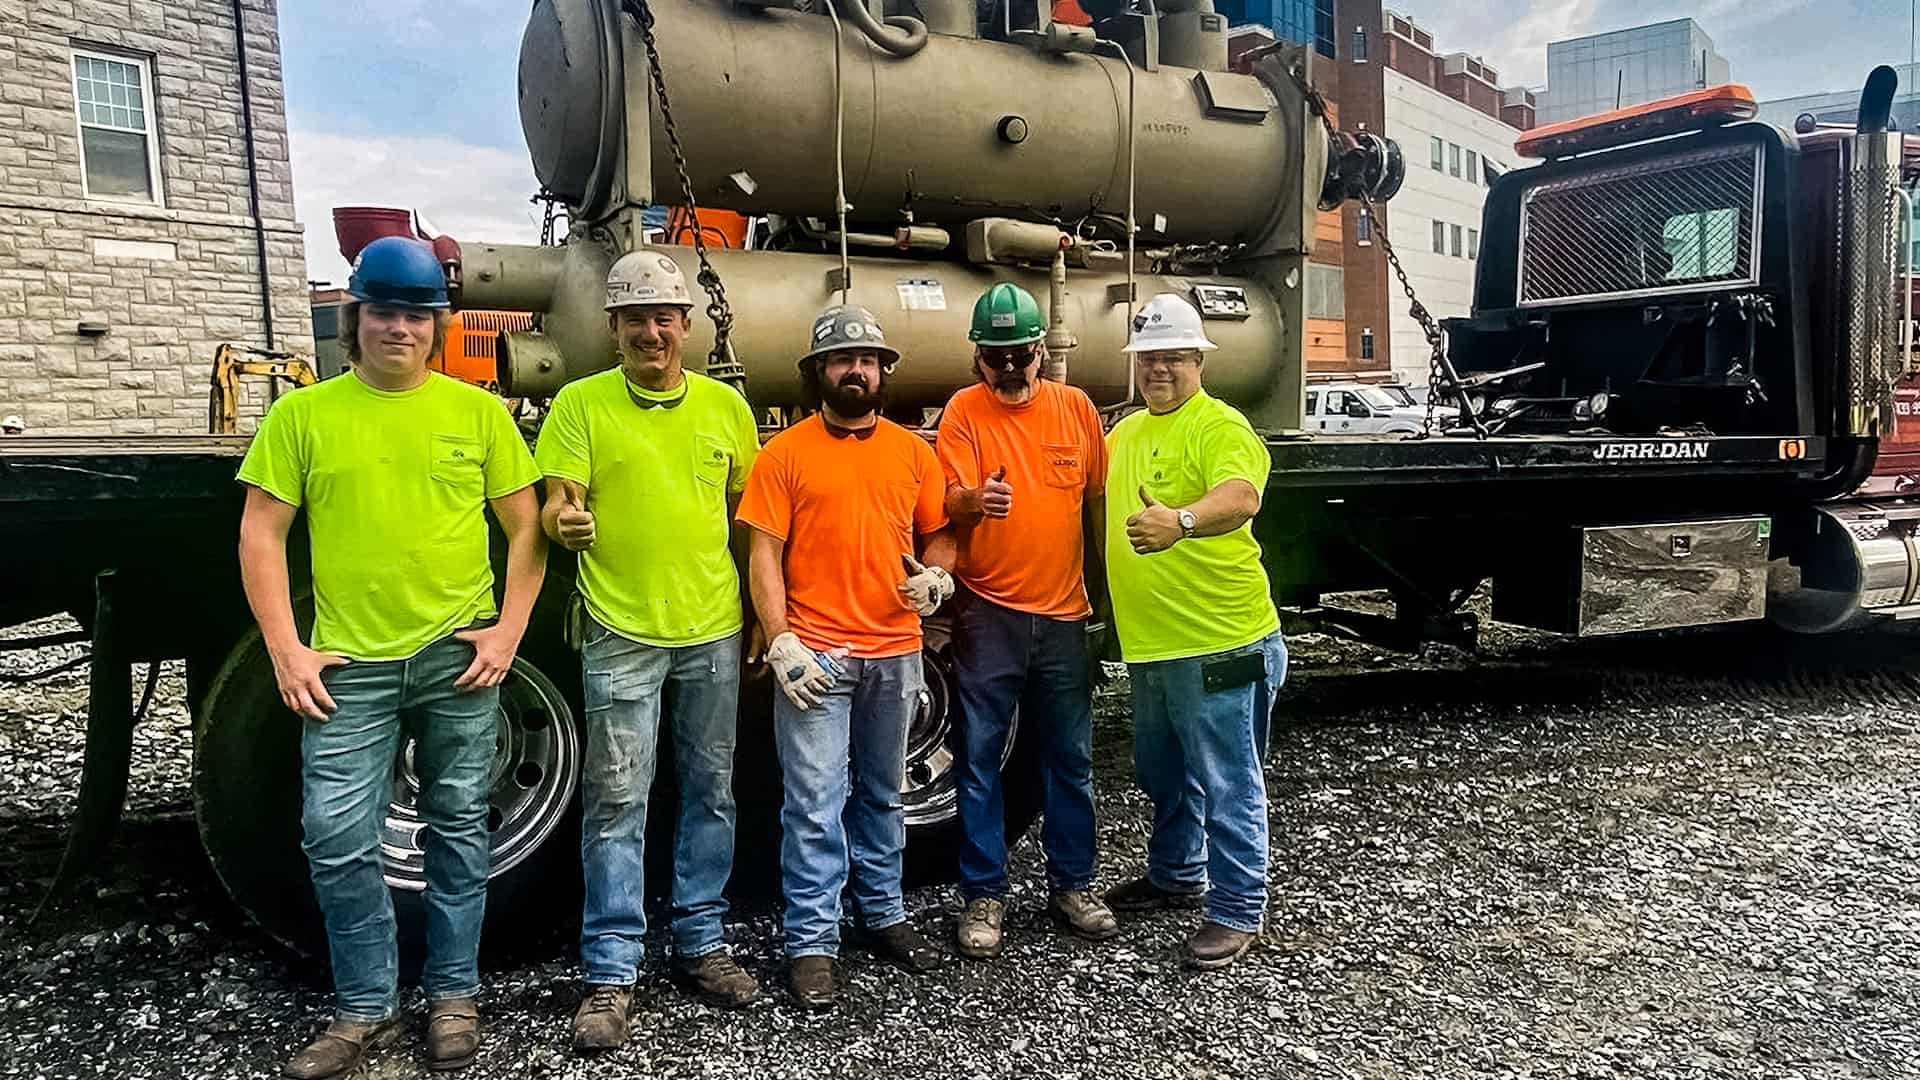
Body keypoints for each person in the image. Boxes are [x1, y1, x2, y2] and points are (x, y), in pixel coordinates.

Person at [236, 236, 546, 1077]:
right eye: (384, 312)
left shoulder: (479, 415)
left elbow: (528, 530)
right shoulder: (303, 416)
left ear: (437, 326)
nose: (400, 328)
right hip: (348, 668)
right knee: (335, 838)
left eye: (417, 315)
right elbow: (261, 532)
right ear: (354, 319)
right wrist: (284, 650)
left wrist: (509, 629)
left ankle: (453, 997)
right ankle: (364, 1007)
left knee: (456, 830)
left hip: (457, 660)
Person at [534, 251, 764, 1051]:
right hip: (620, 630)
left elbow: (750, 519)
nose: (651, 331)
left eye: (664, 316)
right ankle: (611, 971)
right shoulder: (579, 405)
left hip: (712, 628)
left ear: (687, 327)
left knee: (711, 792)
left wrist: (767, 614)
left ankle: (700, 943)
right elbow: (559, 503)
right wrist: (565, 521)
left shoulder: (726, 409)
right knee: (617, 803)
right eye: (635, 317)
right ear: (613, 328)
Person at [736, 304, 956, 1009]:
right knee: (812, 805)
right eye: (841, 360)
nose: (855, 370)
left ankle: (883, 914)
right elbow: (762, 555)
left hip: (896, 651)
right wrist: (780, 639)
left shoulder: (912, 452)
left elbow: (940, 533)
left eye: (867, 360)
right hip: (817, 658)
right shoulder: (785, 454)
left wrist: (938, 577)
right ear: (818, 373)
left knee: (884, 796)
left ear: (883, 372)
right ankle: (811, 942)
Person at [1099, 292, 1286, 972]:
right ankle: (1178, 873)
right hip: (1155, 645)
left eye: (1173, 357)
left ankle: (1238, 909)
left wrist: (1178, 520)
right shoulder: (1126, 433)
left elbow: (1240, 497)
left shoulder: (1220, 426)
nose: (1159, 370)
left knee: (1228, 777)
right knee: (1163, 769)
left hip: (1222, 640)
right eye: (1149, 358)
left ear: (1199, 359)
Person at [935, 283, 1117, 959]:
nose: (1009, 368)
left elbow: (1097, 507)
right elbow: (946, 498)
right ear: (977, 357)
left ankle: (1074, 884)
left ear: (1041, 350)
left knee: (1069, 759)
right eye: (996, 356)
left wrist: (1107, 598)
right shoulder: (963, 413)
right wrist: (976, 498)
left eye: (1020, 354)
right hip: (990, 613)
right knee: (979, 760)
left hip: (1065, 616)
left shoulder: (1076, 411)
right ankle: (984, 895)